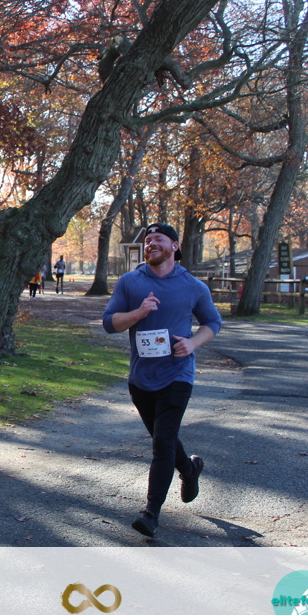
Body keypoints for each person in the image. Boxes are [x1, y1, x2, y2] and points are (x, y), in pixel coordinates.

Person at [102, 222, 221, 538]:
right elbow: (109, 323)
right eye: (148, 240)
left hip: (177, 374)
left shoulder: (193, 286)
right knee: (163, 437)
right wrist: (138, 314)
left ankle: (151, 513)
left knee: (162, 442)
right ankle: (190, 469)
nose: (151, 244)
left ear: (174, 246)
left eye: (158, 239)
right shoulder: (130, 282)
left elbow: (212, 322)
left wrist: (192, 343)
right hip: (141, 378)